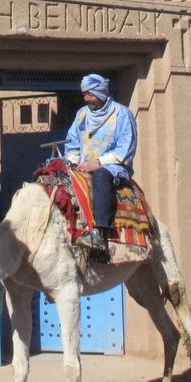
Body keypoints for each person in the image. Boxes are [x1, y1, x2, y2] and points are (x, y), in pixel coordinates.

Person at [64, 73, 138, 253]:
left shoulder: (122, 114)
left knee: (100, 176)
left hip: (112, 167)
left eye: (90, 94)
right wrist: (73, 161)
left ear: (101, 92)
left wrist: (98, 163)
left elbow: (125, 149)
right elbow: (72, 142)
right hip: (83, 165)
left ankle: (100, 232)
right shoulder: (82, 114)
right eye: (85, 94)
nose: (86, 98)